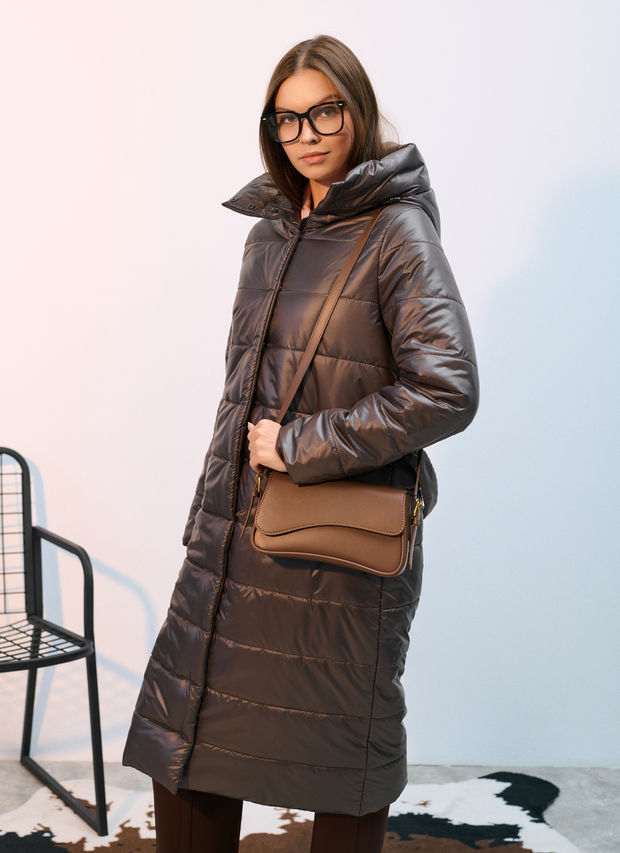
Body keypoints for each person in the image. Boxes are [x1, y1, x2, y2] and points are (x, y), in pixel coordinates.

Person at [123, 34, 479, 853]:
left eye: (325, 111)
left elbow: (448, 389)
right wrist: (207, 517)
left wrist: (303, 444)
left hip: (335, 556)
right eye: (287, 119)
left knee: (337, 757)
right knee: (184, 745)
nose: (307, 134)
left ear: (359, 110)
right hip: (232, 540)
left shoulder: (397, 232)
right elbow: (242, 392)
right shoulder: (269, 234)